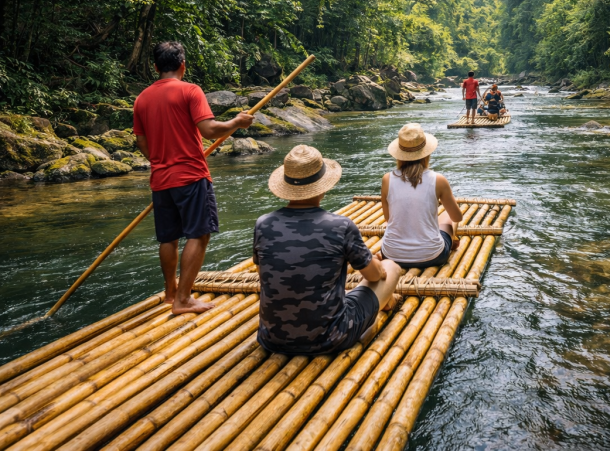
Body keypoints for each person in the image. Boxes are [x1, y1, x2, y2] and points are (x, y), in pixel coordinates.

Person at [134, 41, 254, 315]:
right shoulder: (190, 90)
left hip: (161, 178)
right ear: (183, 66)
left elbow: (141, 141)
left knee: (168, 237)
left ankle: (170, 293)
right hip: (190, 175)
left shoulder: (141, 98)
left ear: (155, 67)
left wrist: (161, 159)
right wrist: (236, 122)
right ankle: (184, 300)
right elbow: (209, 130)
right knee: (199, 235)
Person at [254, 145, 401, 356]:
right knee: (391, 267)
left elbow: (265, 277)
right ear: (323, 187)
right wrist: (376, 263)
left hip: (272, 338)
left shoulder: (263, 224)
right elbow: (373, 275)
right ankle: (380, 307)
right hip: (330, 338)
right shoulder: (340, 226)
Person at [380, 123, 464, 269]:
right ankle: (450, 240)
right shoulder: (438, 180)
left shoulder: (387, 179)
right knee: (448, 219)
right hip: (432, 256)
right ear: (427, 153)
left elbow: (388, 218)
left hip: (391, 255)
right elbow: (458, 217)